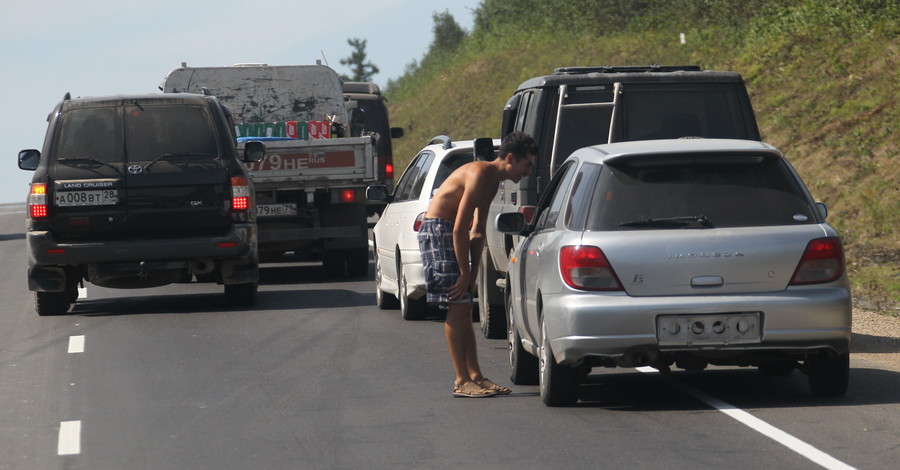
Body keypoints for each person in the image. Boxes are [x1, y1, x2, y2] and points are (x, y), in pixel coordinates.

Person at [417, 132, 537, 398]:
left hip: (452, 233)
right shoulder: (480, 174)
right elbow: (460, 227)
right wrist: (463, 272)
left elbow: (478, 232)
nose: (528, 172)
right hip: (438, 230)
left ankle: (476, 376)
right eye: (526, 165)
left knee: (464, 307)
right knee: (457, 306)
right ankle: (461, 381)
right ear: (510, 158)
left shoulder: (492, 183)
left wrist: (471, 275)